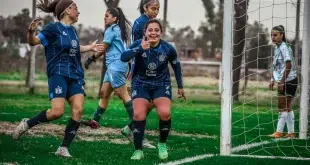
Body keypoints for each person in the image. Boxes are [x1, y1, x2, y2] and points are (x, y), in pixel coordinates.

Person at [12, 0, 104, 157]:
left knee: (78, 110)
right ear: (68, 10)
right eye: (76, 8)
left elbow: (74, 48)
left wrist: (90, 47)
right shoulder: (52, 29)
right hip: (58, 73)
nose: (78, 12)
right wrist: (30, 32)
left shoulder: (73, 31)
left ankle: (63, 148)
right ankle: (27, 124)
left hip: (75, 75)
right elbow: (34, 42)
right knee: (56, 112)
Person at [82, 7, 155, 149]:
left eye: (107, 16)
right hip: (117, 66)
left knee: (124, 96)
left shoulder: (110, 30)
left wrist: (91, 59)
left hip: (116, 66)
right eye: (104, 16)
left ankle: (138, 133)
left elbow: (103, 48)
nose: (105, 18)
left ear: (115, 18)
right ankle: (95, 121)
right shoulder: (117, 30)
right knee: (104, 93)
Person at [121, 19, 186, 160]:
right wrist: (139, 49)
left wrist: (180, 86)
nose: (153, 33)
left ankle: (162, 144)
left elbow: (176, 66)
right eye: (150, 30)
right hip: (140, 84)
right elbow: (123, 57)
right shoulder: (138, 44)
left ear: (161, 33)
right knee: (138, 115)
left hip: (161, 84)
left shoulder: (168, 48)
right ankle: (138, 150)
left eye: (156, 30)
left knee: (165, 113)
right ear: (145, 32)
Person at [120, 0, 160, 147]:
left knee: (151, 102)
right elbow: (137, 47)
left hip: (149, 68)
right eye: (154, 8)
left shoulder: (149, 22)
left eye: (158, 9)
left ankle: (129, 128)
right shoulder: (141, 23)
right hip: (141, 69)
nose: (156, 11)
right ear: (145, 8)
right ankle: (139, 137)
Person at [268, 25, 298, 138]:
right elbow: (276, 66)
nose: (273, 37)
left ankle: (279, 132)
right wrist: (272, 79)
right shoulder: (277, 48)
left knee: (282, 105)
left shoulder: (284, 47)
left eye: (275, 35)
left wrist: (281, 81)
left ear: (282, 35)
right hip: (285, 80)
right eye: (271, 35)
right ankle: (291, 133)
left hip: (289, 80)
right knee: (287, 106)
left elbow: (288, 65)